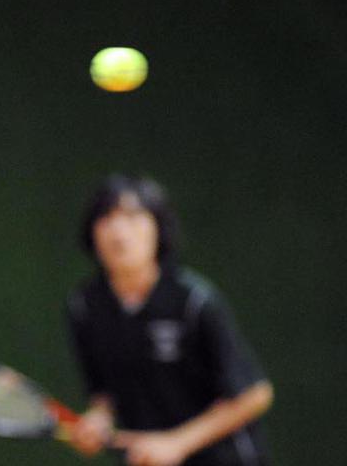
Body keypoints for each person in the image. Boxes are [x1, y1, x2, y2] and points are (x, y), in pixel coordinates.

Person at [65, 174, 273, 466]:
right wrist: (99, 420)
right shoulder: (85, 307)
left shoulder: (194, 302)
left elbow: (254, 393)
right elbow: (103, 393)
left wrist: (177, 443)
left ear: (158, 229)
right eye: (106, 218)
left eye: (133, 217)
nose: (119, 231)